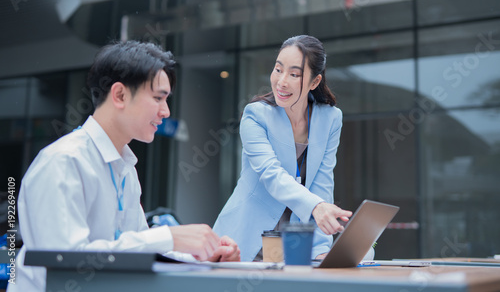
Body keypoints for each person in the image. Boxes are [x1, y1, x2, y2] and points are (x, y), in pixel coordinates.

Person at [9, 41, 240, 292]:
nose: (165, 111)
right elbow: (66, 262)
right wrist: (169, 237)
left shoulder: (125, 168)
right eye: (157, 98)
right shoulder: (64, 161)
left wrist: (203, 257)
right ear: (119, 95)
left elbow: (136, 253)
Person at [213, 35, 352, 261]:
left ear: (314, 82)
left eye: (294, 74)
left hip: (294, 245)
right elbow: (271, 174)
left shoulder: (330, 119)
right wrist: (316, 206)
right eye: (278, 70)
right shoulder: (255, 115)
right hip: (245, 238)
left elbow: (322, 183)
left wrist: (320, 247)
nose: (281, 81)